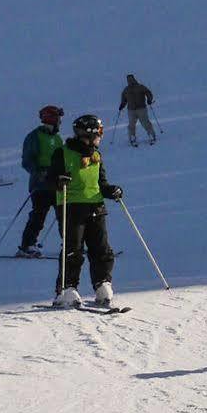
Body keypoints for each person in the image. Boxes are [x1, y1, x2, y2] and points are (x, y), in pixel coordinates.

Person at [46, 114, 122, 309]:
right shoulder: (62, 153)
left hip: (95, 205)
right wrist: (59, 181)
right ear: (89, 133)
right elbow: (49, 179)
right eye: (100, 132)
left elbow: (101, 182)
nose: (101, 136)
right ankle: (67, 289)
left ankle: (102, 285)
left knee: (101, 248)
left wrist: (111, 190)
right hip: (71, 205)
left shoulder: (96, 155)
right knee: (73, 248)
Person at [17, 105, 65, 254]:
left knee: (65, 216)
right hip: (41, 185)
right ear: (51, 119)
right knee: (38, 216)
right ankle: (27, 245)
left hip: (57, 184)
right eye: (58, 119)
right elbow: (27, 160)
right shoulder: (35, 136)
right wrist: (39, 172)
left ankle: (71, 244)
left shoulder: (57, 138)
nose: (60, 122)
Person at [118, 74, 157, 146]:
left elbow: (148, 92)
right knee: (131, 125)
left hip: (141, 108)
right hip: (131, 110)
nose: (130, 81)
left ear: (134, 79)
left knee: (145, 122)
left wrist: (149, 99)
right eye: (129, 80)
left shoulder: (140, 87)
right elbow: (124, 99)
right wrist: (122, 105)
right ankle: (132, 137)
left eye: (131, 79)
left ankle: (151, 135)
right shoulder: (126, 89)